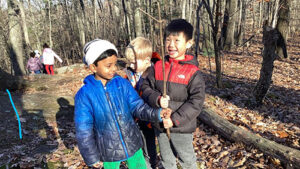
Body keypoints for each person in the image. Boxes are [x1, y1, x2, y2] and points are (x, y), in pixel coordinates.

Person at [74, 39, 172, 169]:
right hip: (107, 150)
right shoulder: (84, 95)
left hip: (132, 143)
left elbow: (138, 107)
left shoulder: (122, 84)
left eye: (115, 64)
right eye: (108, 65)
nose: (114, 69)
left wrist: (157, 113)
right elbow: (83, 129)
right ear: (93, 67)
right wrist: (91, 157)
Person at [141, 19, 206, 169]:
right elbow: (145, 87)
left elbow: (196, 102)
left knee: (187, 161)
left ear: (189, 43)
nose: (171, 45)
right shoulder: (157, 66)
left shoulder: (193, 73)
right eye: (168, 40)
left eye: (177, 40)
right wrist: (157, 99)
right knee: (167, 160)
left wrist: (175, 119)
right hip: (161, 124)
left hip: (181, 127)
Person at [124, 37, 157, 169]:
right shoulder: (130, 74)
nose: (131, 66)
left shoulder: (154, 74)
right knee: (138, 146)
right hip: (135, 118)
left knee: (149, 145)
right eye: (129, 63)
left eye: (133, 63)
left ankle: (151, 164)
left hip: (150, 118)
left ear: (147, 60)